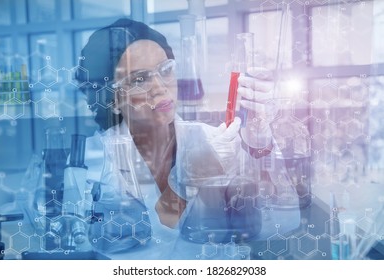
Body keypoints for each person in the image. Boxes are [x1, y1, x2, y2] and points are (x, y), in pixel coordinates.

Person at [76, 18, 306, 251]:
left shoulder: (211, 140)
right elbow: (96, 243)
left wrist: (259, 143)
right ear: (110, 99)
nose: (161, 87)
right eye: (139, 79)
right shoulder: (91, 159)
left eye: (165, 70)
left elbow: (281, 220)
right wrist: (191, 177)